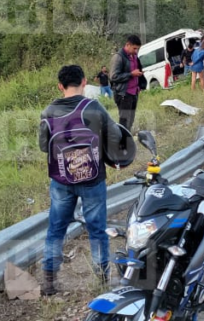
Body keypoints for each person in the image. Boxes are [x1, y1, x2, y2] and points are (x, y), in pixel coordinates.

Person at [39, 65, 136, 295]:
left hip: (61, 180)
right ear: (84, 82)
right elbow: (115, 135)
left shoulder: (48, 112)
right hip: (92, 178)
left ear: (60, 86)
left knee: (55, 229)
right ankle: (102, 281)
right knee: (97, 229)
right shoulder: (93, 108)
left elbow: (44, 146)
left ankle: (49, 282)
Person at [109, 35, 147, 132]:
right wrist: (131, 74)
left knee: (131, 120)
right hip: (123, 94)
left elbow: (135, 71)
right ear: (127, 45)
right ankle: (122, 144)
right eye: (134, 48)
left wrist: (139, 75)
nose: (136, 51)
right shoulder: (118, 57)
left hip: (134, 93)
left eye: (137, 49)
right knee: (124, 122)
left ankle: (127, 141)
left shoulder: (134, 56)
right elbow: (113, 77)